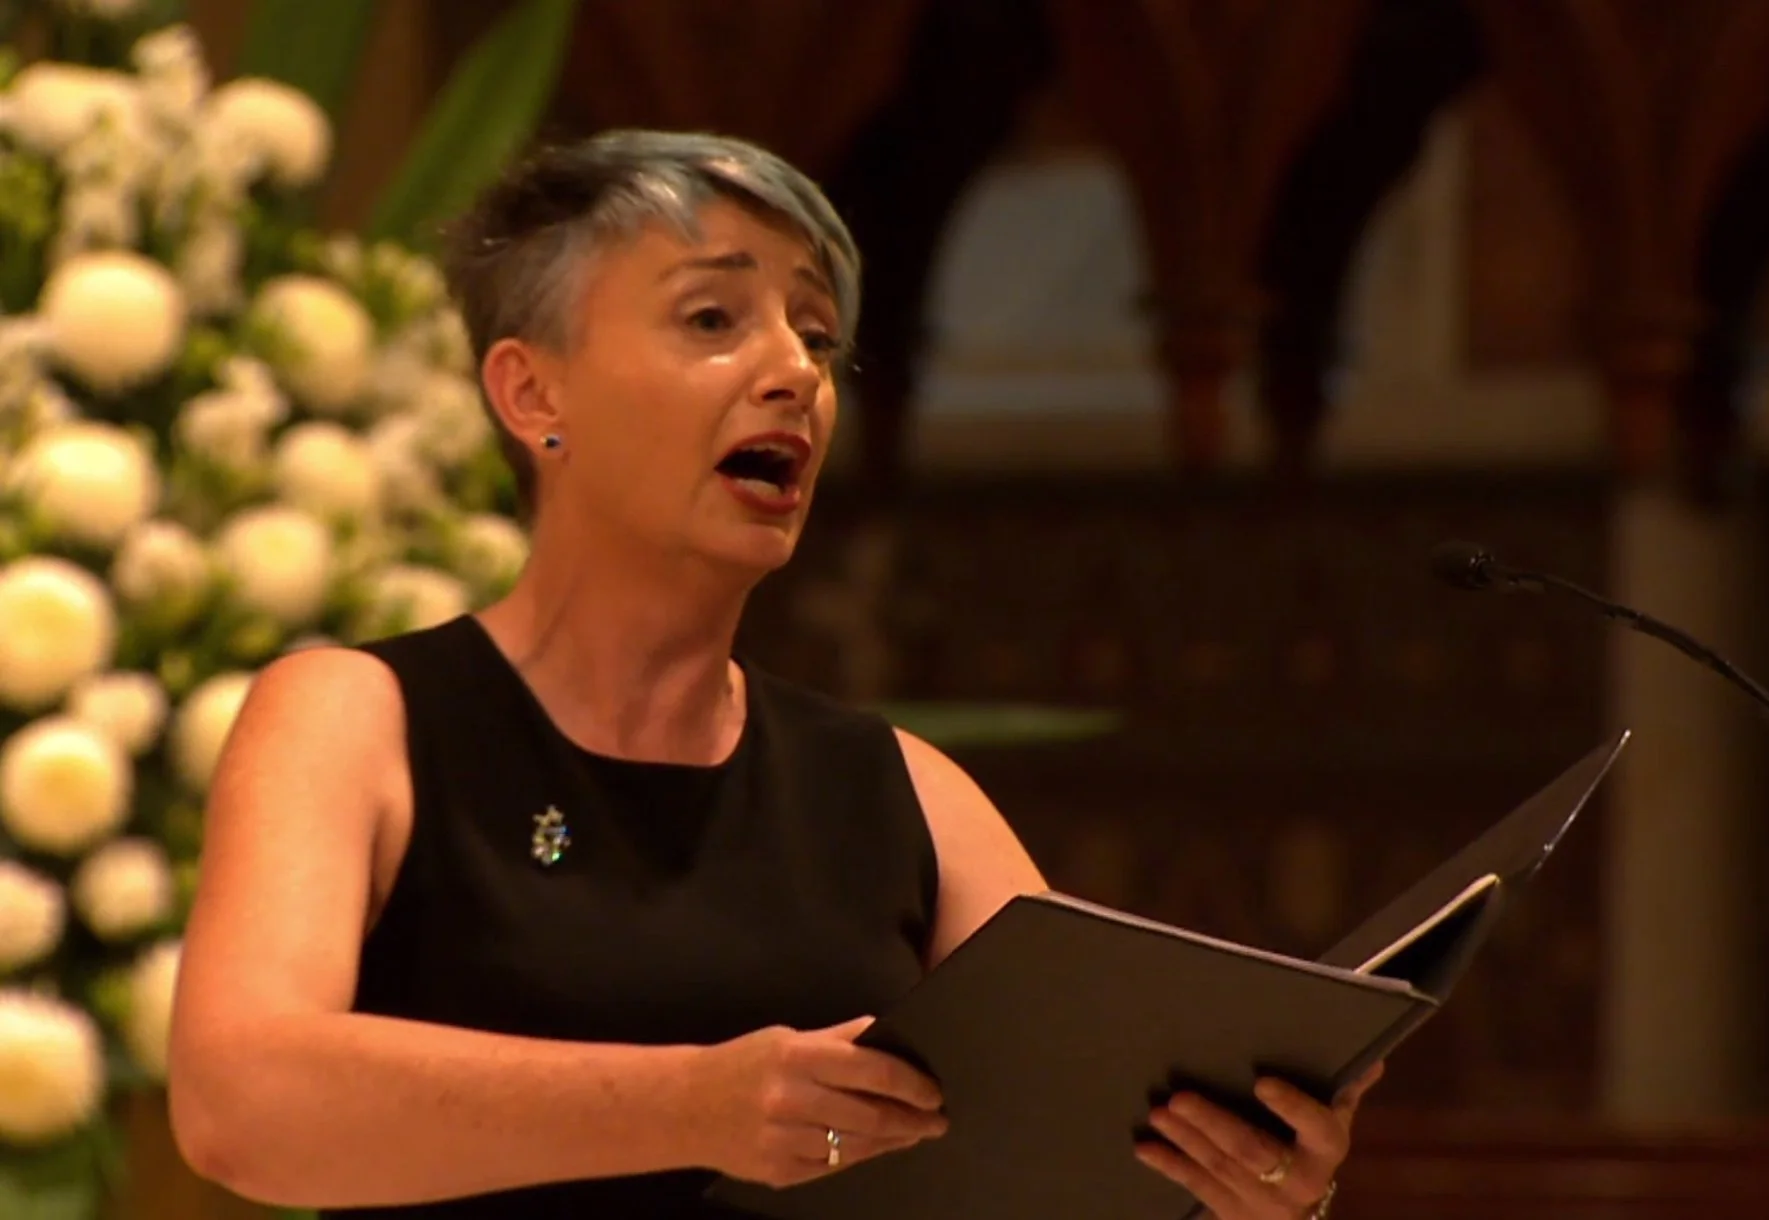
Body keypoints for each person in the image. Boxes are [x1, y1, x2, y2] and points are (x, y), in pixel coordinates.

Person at [167, 129, 1379, 1219]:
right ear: (533, 392)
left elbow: (1080, 1150)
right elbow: (241, 1103)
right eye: (712, 319)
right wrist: (693, 1104)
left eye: (816, 334)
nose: (793, 371)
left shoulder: (901, 791)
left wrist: (1257, 1191)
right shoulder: (356, 718)